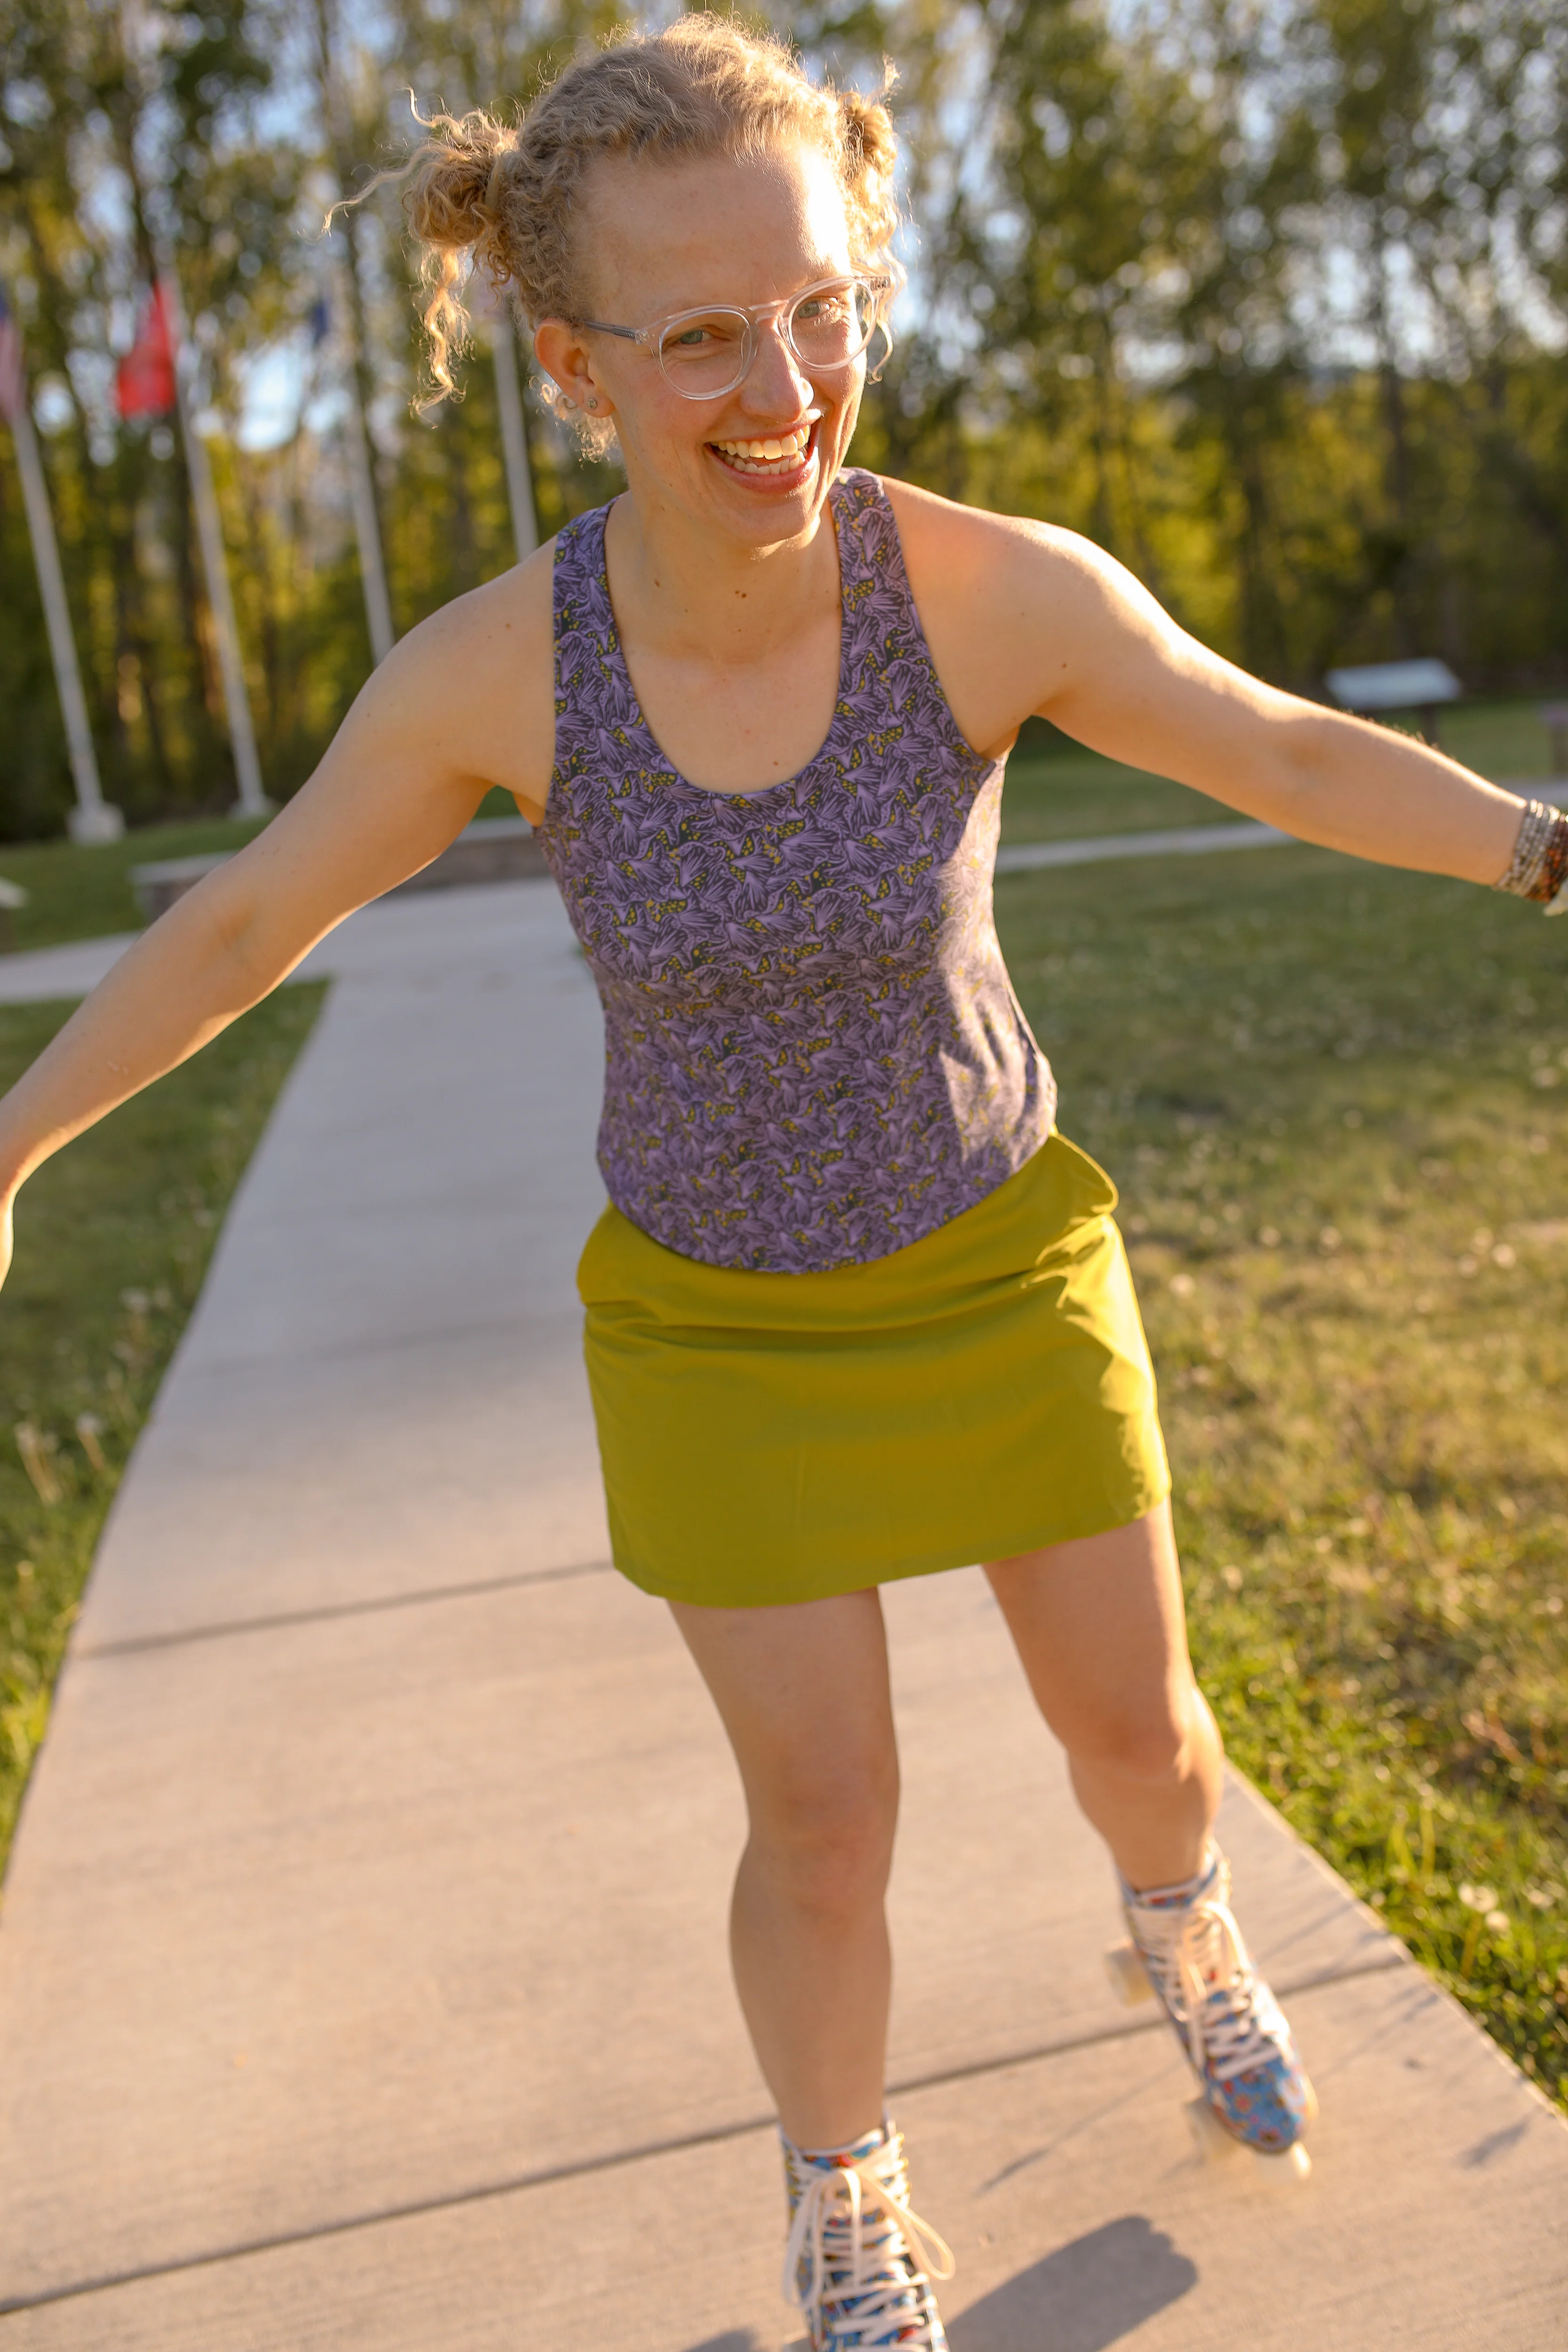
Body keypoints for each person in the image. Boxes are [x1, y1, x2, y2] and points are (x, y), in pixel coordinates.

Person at [2, 21, 1562, 2349]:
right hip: (714, 1321)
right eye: (703, 330)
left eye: (820, 305)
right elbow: (240, 921)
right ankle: (842, 2187)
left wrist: (1542, 849)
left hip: (997, 1250)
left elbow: (1265, 739)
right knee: (823, 1824)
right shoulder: (495, 675)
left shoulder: (983, 589)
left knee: (1140, 1745)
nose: (783, 377)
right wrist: (14, 1132)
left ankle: (1180, 1918)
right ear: (574, 364)